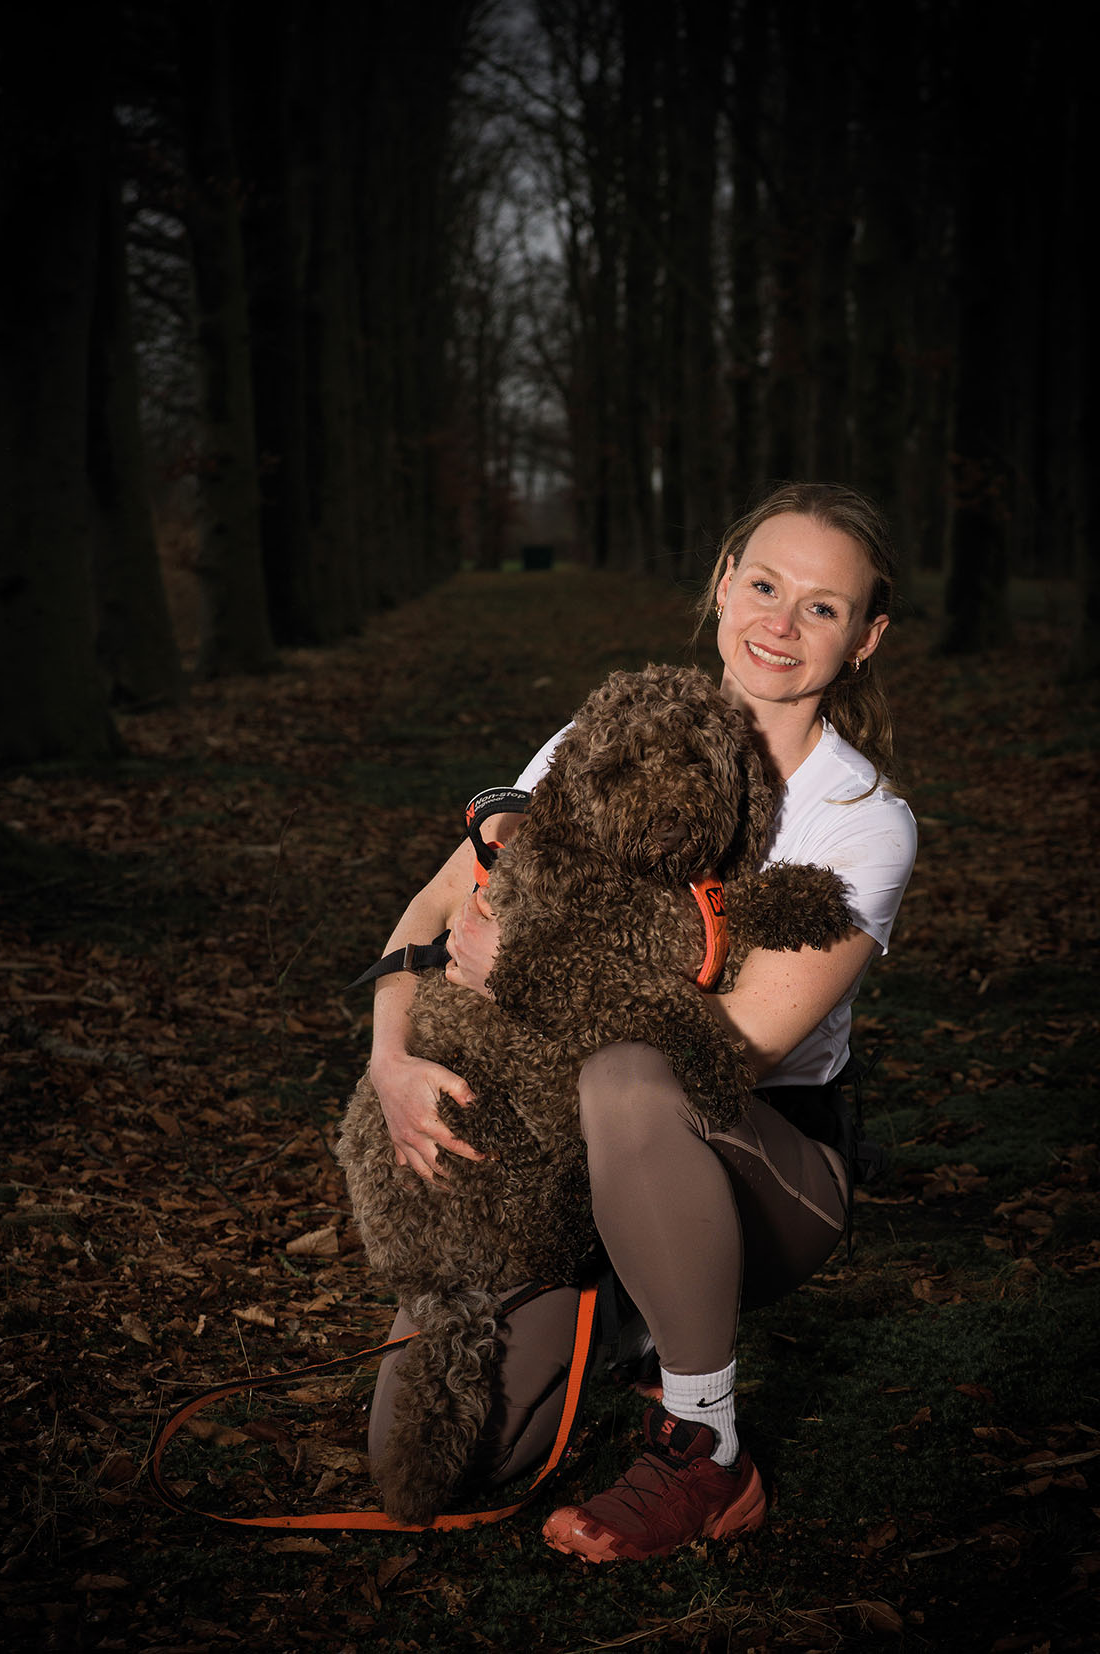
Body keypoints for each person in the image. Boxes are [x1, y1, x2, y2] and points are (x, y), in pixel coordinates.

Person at [364, 481, 917, 1561]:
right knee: (435, 1455)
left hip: (758, 1153)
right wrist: (392, 1056)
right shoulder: (600, 737)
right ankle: (613, 1305)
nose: (779, 623)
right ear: (721, 585)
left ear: (865, 639)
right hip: (554, 1143)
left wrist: (515, 968)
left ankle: (705, 1447)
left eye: (821, 607)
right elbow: (437, 905)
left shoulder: (863, 822)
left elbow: (720, 1049)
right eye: (763, 584)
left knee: (630, 1073)